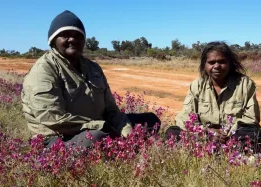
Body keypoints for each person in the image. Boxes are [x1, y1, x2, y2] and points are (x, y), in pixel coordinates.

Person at [22, 10, 160, 148]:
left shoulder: (93, 68)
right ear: (53, 40)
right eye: (65, 35)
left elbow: (111, 111)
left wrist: (127, 132)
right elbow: (53, 119)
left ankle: (125, 145)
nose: (72, 40)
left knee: (150, 120)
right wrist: (101, 127)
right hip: (59, 136)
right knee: (97, 138)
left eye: (78, 35)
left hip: (95, 125)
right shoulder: (44, 70)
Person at [166, 41, 261, 151]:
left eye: (222, 62)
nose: (216, 66)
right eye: (211, 62)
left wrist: (227, 132)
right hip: (204, 136)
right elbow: (184, 117)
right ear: (205, 65)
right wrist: (206, 132)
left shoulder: (245, 84)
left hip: (232, 135)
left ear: (230, 63)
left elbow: (251, 119)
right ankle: (206, 149)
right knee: (172, 132)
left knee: (254, 134)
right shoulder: (197, 85)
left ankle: (230, 152)